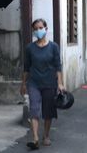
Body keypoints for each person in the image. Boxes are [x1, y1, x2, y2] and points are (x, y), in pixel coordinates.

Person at [20, 18, 65, 150]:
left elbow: (58, 66)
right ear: (34, 31)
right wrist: (23, 84)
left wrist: (60, 83)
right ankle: (35, 138)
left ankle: (46, 135)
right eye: (36, 29)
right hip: (33, 83)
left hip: (50, 83)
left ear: (46, 29)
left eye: (40, 28)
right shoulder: (30, 48)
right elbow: (26, 67)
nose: (38, 30)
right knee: (34, 109)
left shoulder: (54, 47)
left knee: (48, 111)